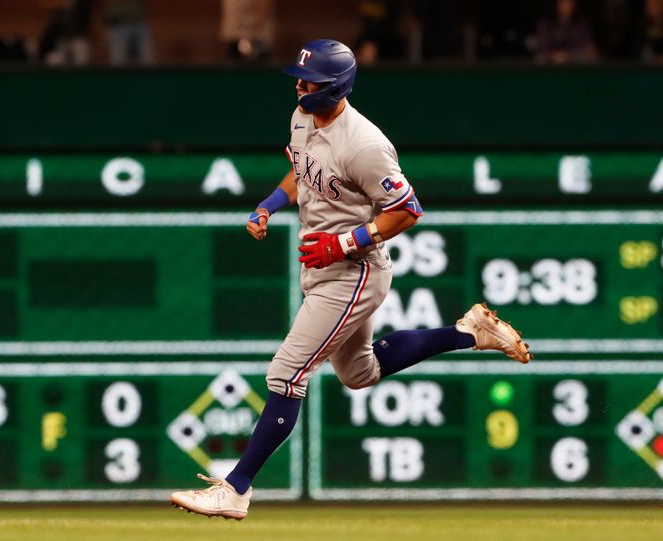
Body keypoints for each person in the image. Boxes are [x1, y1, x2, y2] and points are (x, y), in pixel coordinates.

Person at [170, 39, 531, 520]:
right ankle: (469, 332)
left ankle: (236, 488)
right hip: (322, 267)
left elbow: (408, 210)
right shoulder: (301, 117)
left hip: (354, 270)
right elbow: (302, 172)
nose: (299, 84)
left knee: (286, 373)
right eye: (299, 77)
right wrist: (268, 205)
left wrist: (341, 244)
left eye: (310, 79)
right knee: (358, 374)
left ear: (336, 85)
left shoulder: (364, 144)